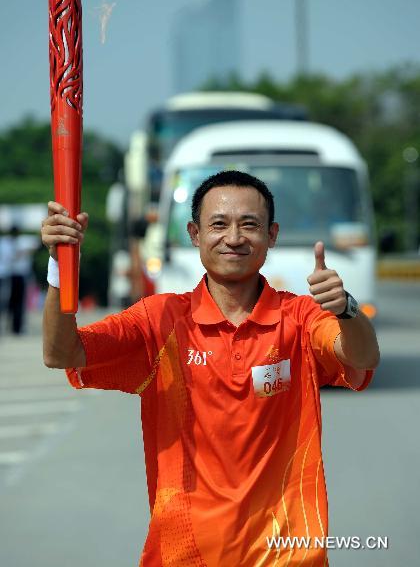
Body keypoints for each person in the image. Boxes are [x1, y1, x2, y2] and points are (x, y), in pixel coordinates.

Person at [41, 171, 380, 566]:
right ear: (195, 234)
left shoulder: (300, 317)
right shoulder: (159, 318)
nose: (234, 238)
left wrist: (345, 309)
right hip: (185, 554)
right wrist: (59, 267)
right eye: (218, 224)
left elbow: (362, 358)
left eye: (249, 225)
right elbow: (62, 353)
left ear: (271, 235)